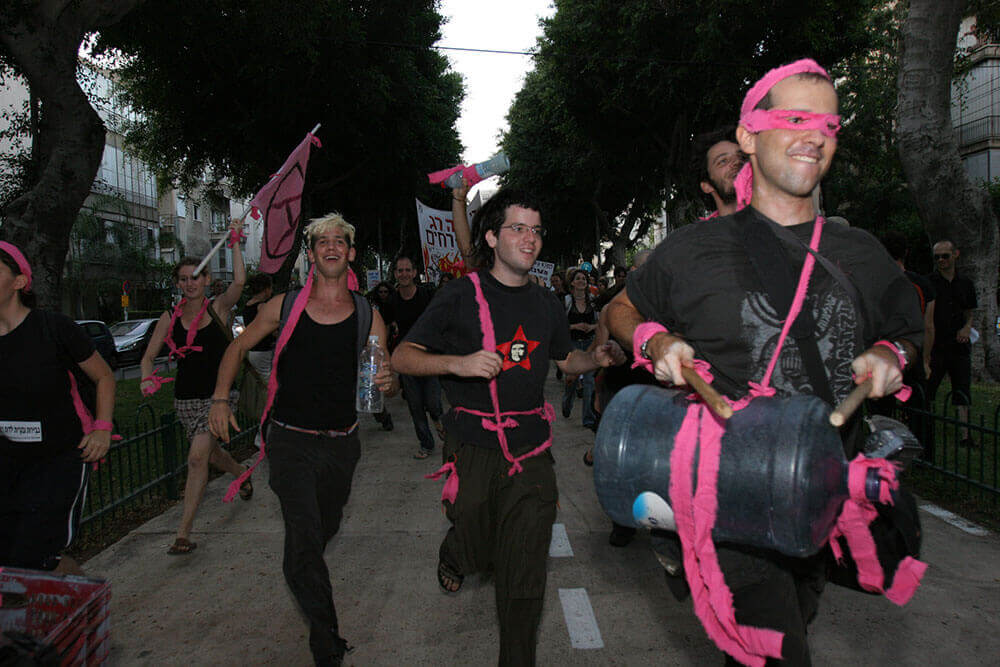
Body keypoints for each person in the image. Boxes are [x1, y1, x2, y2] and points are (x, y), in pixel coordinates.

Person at [606, 59, 922, 665]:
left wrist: (892, 353)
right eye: (796, 119)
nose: (815, 136)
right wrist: (653, 340)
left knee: (792, 618)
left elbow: (907, 333)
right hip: (728, 497)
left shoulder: (861, 252)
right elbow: (620, 308)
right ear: (749, 135)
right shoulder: (694, 247)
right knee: (774, 649)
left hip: (819, 494)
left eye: (828, 125)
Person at [392, 188, 624, 666]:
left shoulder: (546, 303)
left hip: (531, 451)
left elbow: (566, 360)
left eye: (536, 230)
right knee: (477, 543)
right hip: (472, 447)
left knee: (524, 572)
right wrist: (457, 364)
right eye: (517, 228)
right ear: (493, 238)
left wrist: (594, 358)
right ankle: (457, 553)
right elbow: (403, 357)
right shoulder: (460, 295)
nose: (530, 238)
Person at [209, 213, 397, 667]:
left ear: (351, 253)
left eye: (339, 241)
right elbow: (237, 346)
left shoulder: (368, 315)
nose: (331, 247)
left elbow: (384, 379)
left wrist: (389, 382)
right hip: (289, 441)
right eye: (322, 242)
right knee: (306, 537)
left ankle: (300, 562)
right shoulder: (285, 305)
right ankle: (327, 644)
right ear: (311, 255)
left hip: (342, 444)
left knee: (316, 534)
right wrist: (219, 399)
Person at [0, 242, 116, 575]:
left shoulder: (54, 328)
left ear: (20, 282)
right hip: (7, 462)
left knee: (36, 553)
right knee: (10, 556)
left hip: (59, 458)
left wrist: (102, 429)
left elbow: (104, 377)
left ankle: (83, 602)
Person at [140, 219, 249, 555]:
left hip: (219, 398)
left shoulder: (218, 308)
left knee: (197, 459)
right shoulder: (168, 317)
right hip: (185, 400)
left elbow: (240, 282)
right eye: (184, 279)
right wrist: (146, 376)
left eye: (196, 277)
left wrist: (234, 242)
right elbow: (148, 357)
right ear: (177, 283)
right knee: (210, 455)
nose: (190, 283)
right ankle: (240, 472)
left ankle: (183, 533)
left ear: (207, 280)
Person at [387, 255, 445, 459]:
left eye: (407, 270)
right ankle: (426, 444)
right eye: (400, 270)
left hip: (429, 358)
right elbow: (386, 327)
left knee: (433, 402)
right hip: (406, 361)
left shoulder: (427, 295)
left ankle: (438, 421)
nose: (404, 274)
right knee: (415, 406)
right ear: (395, 274)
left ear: (414, 273)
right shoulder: (392, 300)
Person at [926, 239, 978, 447]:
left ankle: (966, 435)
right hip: (937, 345)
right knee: (929, 388)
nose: (941, 260)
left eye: (945, 256)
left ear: (955, 254)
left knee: (962, 389)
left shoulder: (966, 283)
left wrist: (966, 328)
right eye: (937, 257)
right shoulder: (929, 282)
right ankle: (926, 428)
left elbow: (969, 312)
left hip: (958, 346)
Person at [562, 268, 598, 428]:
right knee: (572, 380)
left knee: (589, 382)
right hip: (573, 345)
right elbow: (560, 324)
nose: (582, 281)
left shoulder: (593, 300)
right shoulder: (567, 301)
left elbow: (601, 322)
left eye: (584, 279)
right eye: (578, 278)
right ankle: (567, 402)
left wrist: (591, 327)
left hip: (590, 343)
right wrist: (575, 326)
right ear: (572, 283)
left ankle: (588, 419)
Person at [693, 126, 744, 219]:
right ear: (707, 186)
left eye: (741, 157)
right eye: (723, 161)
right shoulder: (706, 229)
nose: (737, 162)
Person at [243, 273, 276, 383]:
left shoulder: (248, 305)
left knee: (259, 380)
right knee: (268, 380)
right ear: (266, 289)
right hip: (264, 349)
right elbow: (271, 328)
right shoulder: (262, 306)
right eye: (271, 288)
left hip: (253, 349)